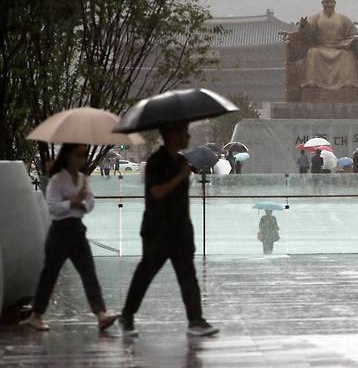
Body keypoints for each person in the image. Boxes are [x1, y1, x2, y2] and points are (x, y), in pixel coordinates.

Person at [119, 122, 219, 337]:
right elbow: (156, 192)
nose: (188, 135)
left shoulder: (182, 160)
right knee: (146, 272)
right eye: (184, 131)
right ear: (172, 134)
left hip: (181, 229)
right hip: (158, 230)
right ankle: (127, 316)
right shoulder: (157, 162)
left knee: (188, 275)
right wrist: (180, 177)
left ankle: (196, 319)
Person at [22, 143, 119, 332]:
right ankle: (36, 315)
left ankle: (101, 315)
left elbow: (90, 202)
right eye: (78, 155)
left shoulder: (83, 179)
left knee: (89, 272)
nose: (81, 159)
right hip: (59, 232)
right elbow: (53, 207)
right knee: (50, 274)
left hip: (77, 230)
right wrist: (73, 201)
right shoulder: (58, 180)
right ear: (67, 156)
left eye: (83, 155)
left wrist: (80, 205)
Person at [297, 0, 358, 90]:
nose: (329, 5)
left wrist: (349, 41)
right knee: (312, 52)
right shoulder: (316, 18)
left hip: (339, 48)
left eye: (331, 2)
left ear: (335, 3)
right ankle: (312, 81)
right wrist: (304, 25)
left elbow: (354, 33)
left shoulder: (343, 19)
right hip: (321, 47)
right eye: (326, 2)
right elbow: (308, 32)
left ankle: (347, 83)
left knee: (347, 55)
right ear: (322, 3)